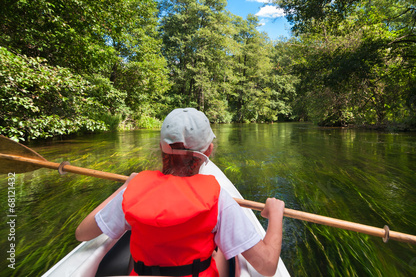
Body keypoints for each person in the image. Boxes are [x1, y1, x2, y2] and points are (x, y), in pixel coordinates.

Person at [75, 108, 285, 277]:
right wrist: (276, 213)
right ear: (209, 150)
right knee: (218, 248)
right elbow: (267, 266)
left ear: (161, 147)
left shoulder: (133, 191)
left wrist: (126, 186)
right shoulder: (218, 200)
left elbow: (82, 233)